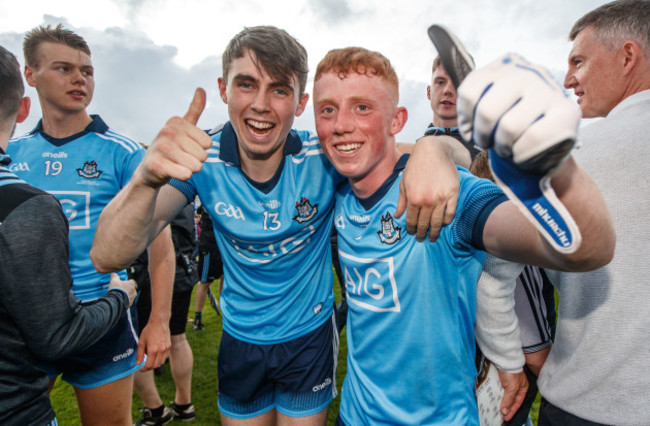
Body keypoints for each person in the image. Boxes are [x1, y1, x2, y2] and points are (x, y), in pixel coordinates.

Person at [91, 25, 464, 425]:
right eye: (247, 84)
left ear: (301, 102)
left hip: (309, 339)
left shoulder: (324, 156)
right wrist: (144, 179)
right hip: (241, 339)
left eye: (280, 90)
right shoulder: (203, 158)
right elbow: (106, 255)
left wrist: (430, 147)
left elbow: (438, 149)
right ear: (223, 89)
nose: (261, 105)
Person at [311, 46, 613, 425]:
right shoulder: (335, 189)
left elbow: (585, 249)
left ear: (396, 119)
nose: (341, 124)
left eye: (362, 107)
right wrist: (431, 144)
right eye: (327, 109)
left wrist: (547, 151)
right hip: (355, 416)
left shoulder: (450, 193)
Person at [6, 25, 174, 425]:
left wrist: (159, 321)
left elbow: (161, 243)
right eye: (63, 68)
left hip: (103, 316)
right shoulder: (12, 154)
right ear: (30, 75)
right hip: (28, 323)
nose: (79, 78)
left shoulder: (124, 153)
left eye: (87, 71)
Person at [536, 1, 650, 424]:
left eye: (578, 61)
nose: (568, 79)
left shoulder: (570, 156)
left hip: (584, 403)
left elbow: (503, 270)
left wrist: (514, 354)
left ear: (627, 56)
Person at [130, 203, 199, 425]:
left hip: (153, 275)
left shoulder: (155, 195)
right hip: (181, 272)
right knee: (177, 337)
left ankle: (156, 409)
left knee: (139, 344)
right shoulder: (183, 198)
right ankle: (183, 404)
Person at [424, 55, 481, 160]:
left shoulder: (490, 159)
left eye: (457, 83)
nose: (448, 90)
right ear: (429, 91)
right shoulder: (410, 157)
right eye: (441, 82)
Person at [193, 203, 224, 330]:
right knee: (205, 282)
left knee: (225, 278)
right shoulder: (209, 199)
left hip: (222, 246)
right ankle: (197, 320)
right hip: (209, 247)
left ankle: (226, 312)